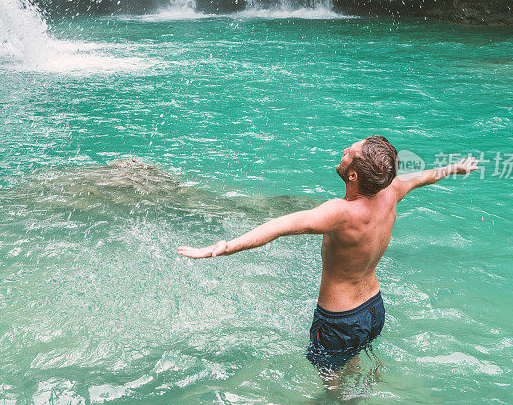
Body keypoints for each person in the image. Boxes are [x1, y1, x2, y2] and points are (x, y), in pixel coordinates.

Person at [178, 136, 479, 388]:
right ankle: (362, 391)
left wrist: (228, 246)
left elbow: (281, 226)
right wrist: (456, 168)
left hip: (338, 320)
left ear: (353, 176)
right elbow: (425, 176)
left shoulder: (341, 212)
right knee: (355, 353)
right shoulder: (391, 192)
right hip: (373, 309)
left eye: (351, 152)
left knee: (329, 380)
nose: (345, 150)